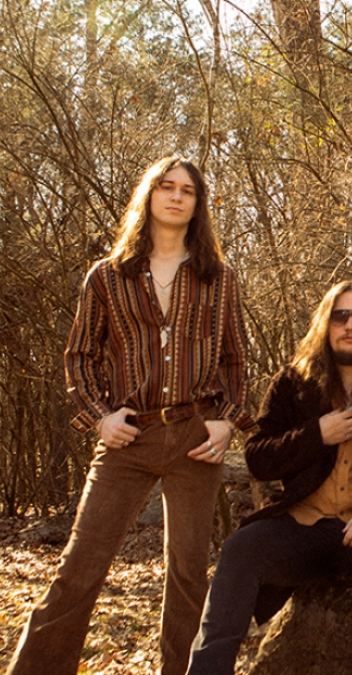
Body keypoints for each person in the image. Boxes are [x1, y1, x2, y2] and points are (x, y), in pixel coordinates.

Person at [7, 157, 254, 675]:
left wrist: (226, 420)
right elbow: (79, 355)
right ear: (149, 195)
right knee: (80, 567)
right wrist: (100, 417)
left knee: (188, 574)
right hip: (128, 436)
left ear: (197, 204)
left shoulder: (219, 277)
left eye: (187, 190)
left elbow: (236, 358)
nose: (176, 196)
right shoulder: (107, 276)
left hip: (195, 437)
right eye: (166, 186)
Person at [186, 281, 352, 675]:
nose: (350, 326)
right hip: (305, 528)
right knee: (239, 550)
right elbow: (258, 458)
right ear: (326, 323)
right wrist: (316, 435)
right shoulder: (293, 382)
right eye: (340, 316)